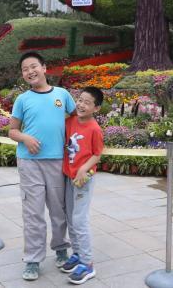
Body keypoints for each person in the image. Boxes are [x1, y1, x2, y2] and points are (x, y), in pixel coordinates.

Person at [9, 52, 76, 281]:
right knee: (33, 212)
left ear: (45, 68)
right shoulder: (22, 100)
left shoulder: (62, 95)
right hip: (29, 163)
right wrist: (25, 139)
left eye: (34, 66)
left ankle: (60, 249)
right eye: (25, 69)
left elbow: (78, 120)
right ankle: (33, 260)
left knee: (59, 210)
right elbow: (12, 131)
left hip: (57, 162)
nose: (30, 71)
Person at [59, 87, 104, 285]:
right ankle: (77, 253)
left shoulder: (94, 128)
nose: (81, 104)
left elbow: (97, 155)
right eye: (80, 99)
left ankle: (87, 264)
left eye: (87, 102)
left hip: (83, 179)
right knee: (70, 215)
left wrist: (83, 169)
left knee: (79, 219)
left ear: (96, 108)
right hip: (69, 176)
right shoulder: (70, 122)